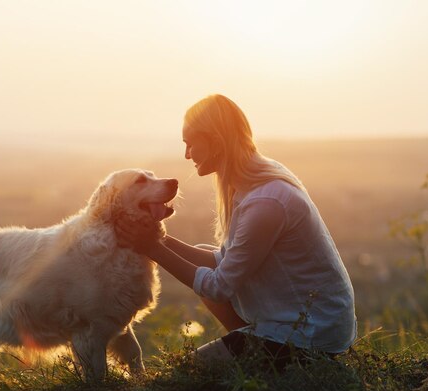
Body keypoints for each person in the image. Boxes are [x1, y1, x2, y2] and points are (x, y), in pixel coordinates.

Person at [115, 94, 356, 370]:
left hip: (310, 337)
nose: (187, 154)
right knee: (205, 255)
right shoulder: (252, 180)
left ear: (216, 141)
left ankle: (266, 360)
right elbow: (224, 264)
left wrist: (153, 248)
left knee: (187, 372)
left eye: (190, 143)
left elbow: (219, 287)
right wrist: (158, 239)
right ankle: (248, 349)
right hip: (302, 322)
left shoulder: (265, 202)